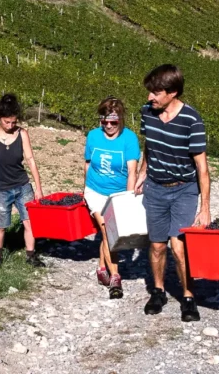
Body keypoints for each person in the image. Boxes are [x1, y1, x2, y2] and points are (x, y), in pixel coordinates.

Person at [134, 64, 211, 322]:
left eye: (155, 92)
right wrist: (143, 172)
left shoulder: (192, 119)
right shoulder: (148, 113)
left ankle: (188, 297)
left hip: (184, 190)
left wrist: (205, 207)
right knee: (156, 246)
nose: (149, 97)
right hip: (155, 188)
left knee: (179, 248)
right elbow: (150, 145)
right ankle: (158, 291)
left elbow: (202, 167)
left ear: (172, 92)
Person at [83, 97, 140, 299]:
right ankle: (115, 276)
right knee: (107, 229)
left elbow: (132, 172)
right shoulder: (93, 136)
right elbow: (88, 164)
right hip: (95, 191)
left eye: (113, 122)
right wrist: (85, 191)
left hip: (118, 193)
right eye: (104, 121)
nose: (108, 125)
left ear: (121, 119)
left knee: (108, 233)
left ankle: (101, 268)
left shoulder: (129, 139)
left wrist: (129, 199)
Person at [0, 93, 45, 269]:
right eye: (6, 122)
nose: (10, 125)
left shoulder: (22, 134)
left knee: (29, 222)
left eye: (13, 122)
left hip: (22, 186)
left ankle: (31, 255)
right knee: (0, 226)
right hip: (0, 189)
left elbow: (30, 159)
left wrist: (38, 187)